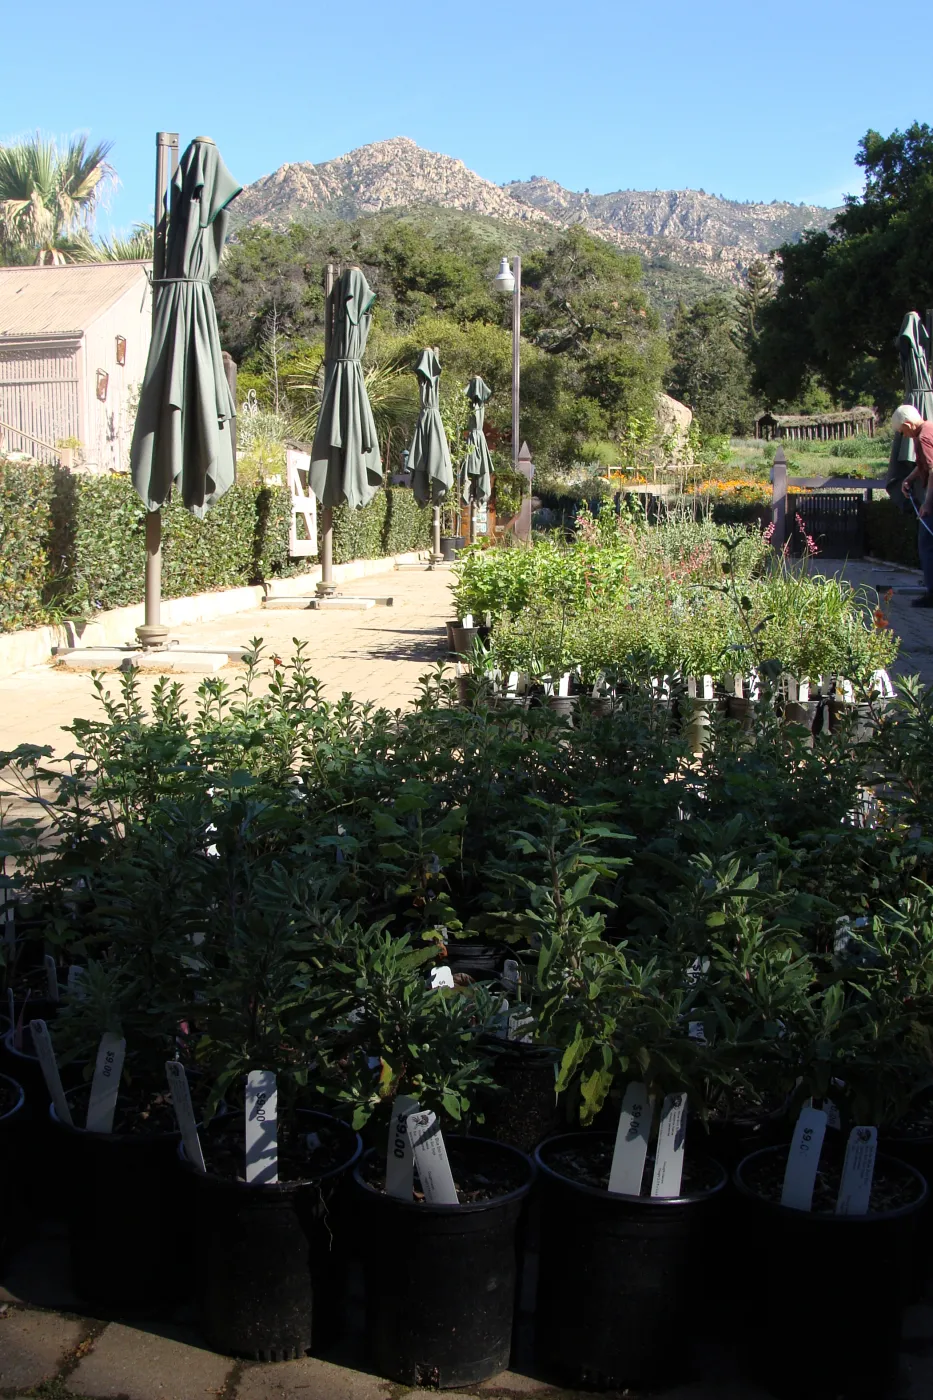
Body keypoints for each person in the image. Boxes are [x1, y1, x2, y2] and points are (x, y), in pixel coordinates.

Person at [895, 404, 933, 607]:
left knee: (927, 545)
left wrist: (927, 503)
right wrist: (909, 479)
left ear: (908, 424)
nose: (905, 436)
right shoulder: (930, 429)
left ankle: (932, 594)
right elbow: (923, 466)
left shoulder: (923, 438)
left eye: (903, 431)